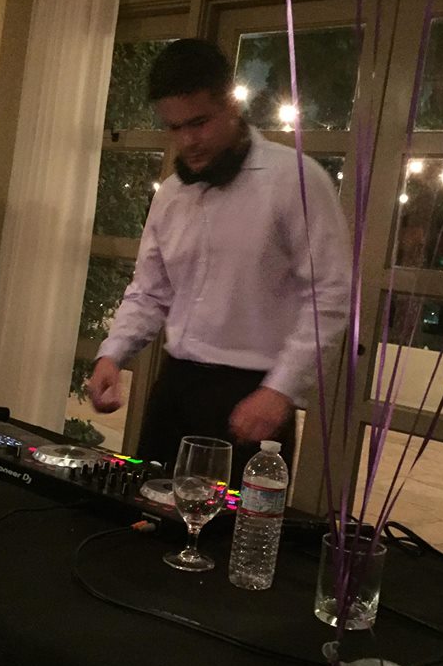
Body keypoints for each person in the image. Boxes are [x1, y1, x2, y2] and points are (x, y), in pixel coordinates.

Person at [87, 38, 351, 486]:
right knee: (141, 514)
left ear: (232, 103)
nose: (187, 141)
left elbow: (331, 295)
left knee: (233, 529)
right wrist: (112, 355)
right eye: (174, 127)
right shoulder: (171, 194)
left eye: (200, 122)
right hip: (175, 387)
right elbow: (149, 291)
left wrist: (280, 390)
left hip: (253, 396)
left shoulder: (295, 180)